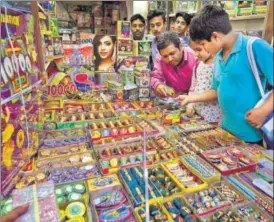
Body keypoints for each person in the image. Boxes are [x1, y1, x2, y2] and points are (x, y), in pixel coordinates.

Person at [177, 5, 273, 144]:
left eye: (203, 44)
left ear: (215, 36)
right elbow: (215, 90)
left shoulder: (254, 46)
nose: (203, 50)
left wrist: (264, 110)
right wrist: (191, 98)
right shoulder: (219, 56)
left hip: (252, 134)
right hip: (226, 131)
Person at [150, 31, 198, 97]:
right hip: (173, 99)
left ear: (180, 47)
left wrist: (189, 96)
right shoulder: (160, 57)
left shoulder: (194, 58)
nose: (169, 59)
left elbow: (201, 86)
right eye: (165, 56)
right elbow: (155, 76)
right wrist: (158, 85)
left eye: (172, 53)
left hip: (192, 100)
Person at [187, 40, 222, 124]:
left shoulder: (220, 65)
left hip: (214, 116)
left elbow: (218, 91)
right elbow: (193, 87)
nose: (196, 54)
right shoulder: (198, 65)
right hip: (197, 114)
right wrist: (190, 104)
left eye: (199, 50)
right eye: (194, 50)